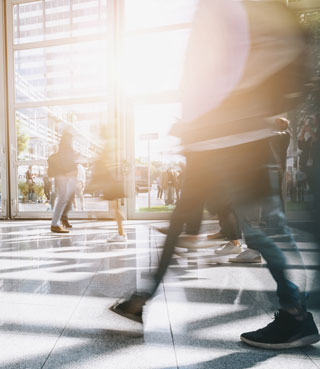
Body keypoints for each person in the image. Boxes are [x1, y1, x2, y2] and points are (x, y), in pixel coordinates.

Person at [112, 0, 319, 350]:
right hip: (213, 138)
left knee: (262, 230)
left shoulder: (235, 5)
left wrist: (218, 112)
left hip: (231, 138)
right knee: (185, 222)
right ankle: (141, 299)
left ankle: (297, 313)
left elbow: (247, 61)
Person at [48, 131, 77, 233]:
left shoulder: (63, 148)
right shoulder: (67, 149)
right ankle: (55, 224)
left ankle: (56, 223)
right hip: (64, 176)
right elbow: (68, 164)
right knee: (63, 199)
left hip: (62, 176)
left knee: (63, 199)